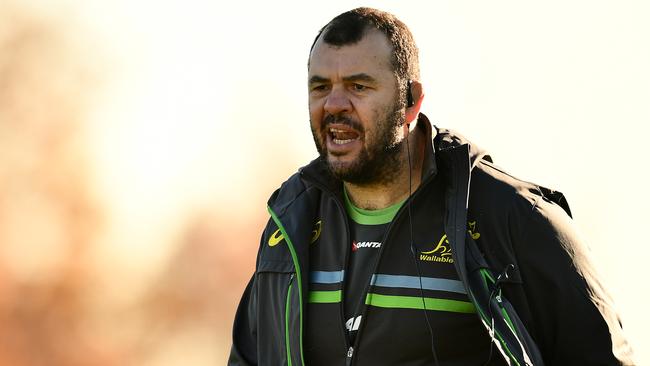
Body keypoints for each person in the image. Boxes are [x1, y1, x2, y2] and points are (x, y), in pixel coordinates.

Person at [228, 7, 634, 366]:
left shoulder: (515, 219)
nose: (334, 104)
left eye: (359, 86)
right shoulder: (290, 224)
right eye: (320, 87)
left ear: (411, 101)